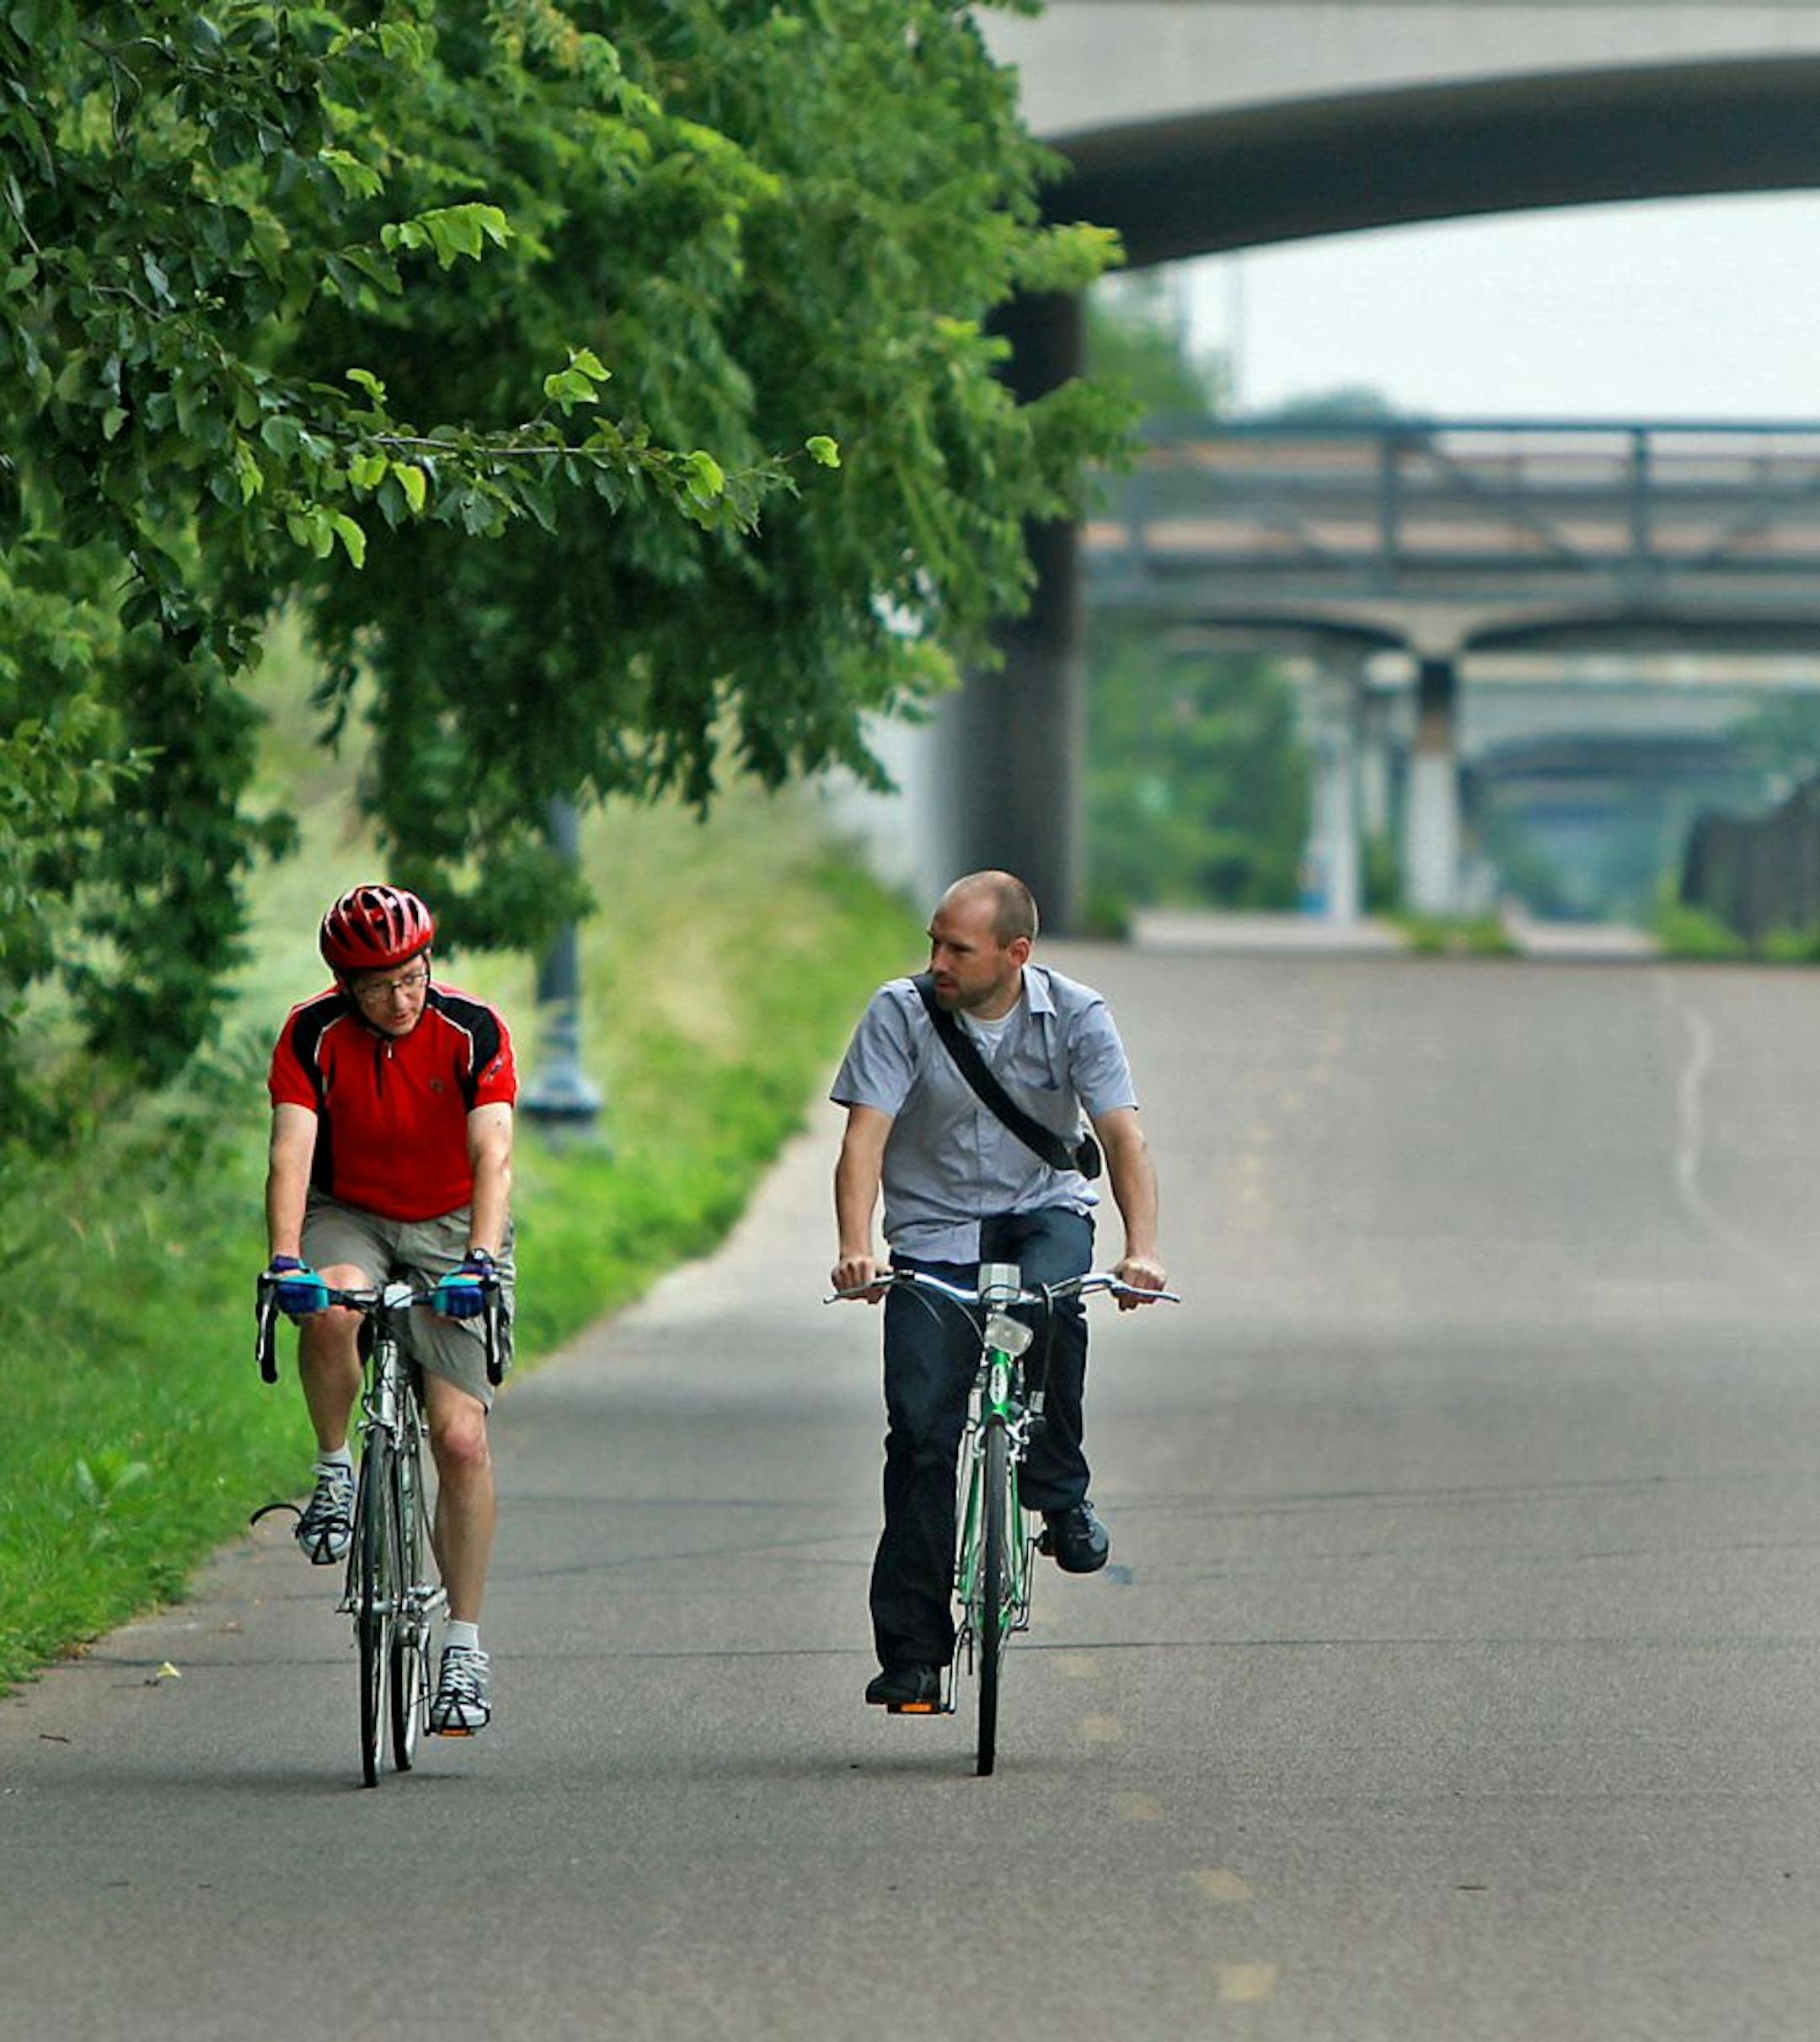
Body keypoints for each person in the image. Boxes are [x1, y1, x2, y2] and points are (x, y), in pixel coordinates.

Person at [830, 869, 1166, 1709]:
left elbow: (1123, 1136)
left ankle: (1058, 1492)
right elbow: (863, 1140)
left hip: (1039, 1209)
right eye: (934, 941)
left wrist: (1143, 1250)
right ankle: (912, 1654)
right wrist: (854, 1248)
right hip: (934, 1230)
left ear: (1016, 954)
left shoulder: (1077, 1013)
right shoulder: (899, 1013)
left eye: (958, 947)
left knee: (1054, 1308)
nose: (937, 959)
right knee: (918, 1433)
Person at [262, 882, 517, 1737]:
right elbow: (291, 1152)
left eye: (411, 977)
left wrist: (482, 1258)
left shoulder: (472, 1028)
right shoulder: (312, 1034)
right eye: (377, 985)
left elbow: (494, 1152)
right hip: (353, 1211)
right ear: (343, 984)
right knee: (332, 1307)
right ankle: (336, 1468)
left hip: (452, 1221)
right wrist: (285, 1258)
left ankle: (464, 1647)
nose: (400, 998)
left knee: (460, 1437)